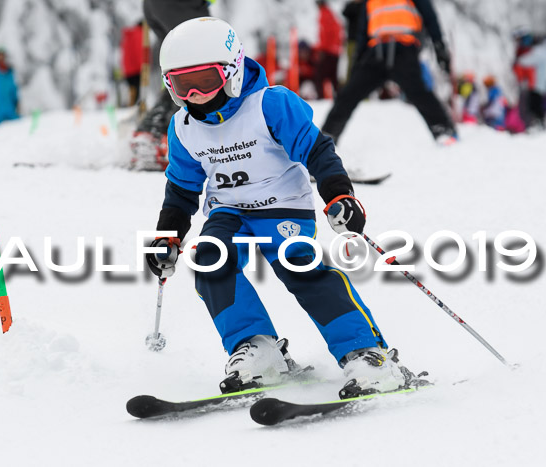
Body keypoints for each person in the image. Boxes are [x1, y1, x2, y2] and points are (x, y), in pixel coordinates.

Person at [145, 17, 422, 397]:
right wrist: (168, 234)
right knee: (210, 261)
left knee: (301, 269)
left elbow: (316, 149)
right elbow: (181, 187)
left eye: (204, 81)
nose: (194, 94)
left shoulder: (270, 105)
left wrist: (339, 194)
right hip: (228, 212)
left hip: (282, 207)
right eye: (181, 85)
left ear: (233, 72)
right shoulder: (182, 127)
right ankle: (257, 348)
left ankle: (366, 352)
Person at [322, 0, 457, 145]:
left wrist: (439, 47)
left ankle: (443, 131)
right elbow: (363, 30)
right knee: (348, 94)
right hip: (376, 51)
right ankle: (327, 137)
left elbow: (429, 17)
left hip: (404, 49)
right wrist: (358, 61)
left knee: (419, 93)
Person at [129, 0, 211, 171]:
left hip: (161, 6)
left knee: (189, 69)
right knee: (199, 70)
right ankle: (161, 135)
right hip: (179, 5)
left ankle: (153, 134)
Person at [314, 1, 344, 98]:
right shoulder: (330, 13)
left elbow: (326, 34)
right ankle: (339, 96)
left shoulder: (324, 14)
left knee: (319, 76)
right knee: (333, 77)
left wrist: (322, 49)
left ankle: (320, 97)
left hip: (328, 51)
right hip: (335, 51)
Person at [122, 22, 144, 106]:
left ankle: (132, 106)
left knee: (133, 91)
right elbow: (140, 51)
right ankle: (135, 107)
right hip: (136, 69)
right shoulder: (139, 34)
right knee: (138, 91)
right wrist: (143, 66)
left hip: (128, 69)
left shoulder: (130, 35)